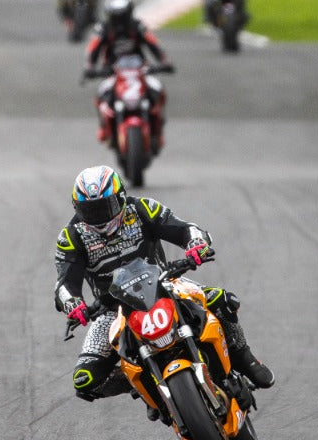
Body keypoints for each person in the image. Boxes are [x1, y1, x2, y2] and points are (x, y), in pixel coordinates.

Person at [55, 165, 275, 402]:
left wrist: (196, 244)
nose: (99, 217)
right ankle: (144, 384)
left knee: (223, 300)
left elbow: (184, 229)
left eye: (104, 207)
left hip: (164, 286)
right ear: (77, 208)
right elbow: (65, 285)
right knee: (85, 380)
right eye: (91, 210)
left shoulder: (141, 209)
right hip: (112, 310)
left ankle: (246, 359)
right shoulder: (71, 237)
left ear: (120, 198)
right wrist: (73, 304)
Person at [84, 0, 172, 152]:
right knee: (102, 93)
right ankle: (104, 128)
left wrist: (163, 61)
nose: (120, 23)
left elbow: (153, 44)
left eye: (122, 17)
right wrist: (90, 67)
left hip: (139, 70)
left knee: (157, 89)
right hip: (112, 71)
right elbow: (93, 49)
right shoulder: (103, 29)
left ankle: (157, 131)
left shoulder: (138, 27)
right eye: (116, 18)